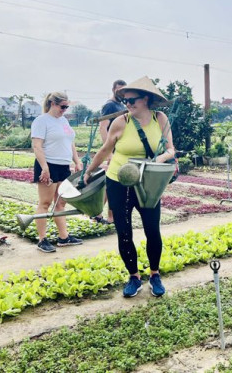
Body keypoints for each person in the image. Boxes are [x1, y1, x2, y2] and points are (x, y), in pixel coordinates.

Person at [84, 76, 175, 298]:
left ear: (146, 99)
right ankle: (133, 276)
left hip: (148, 183)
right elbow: (106, 150)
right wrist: (89, 171)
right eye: (125, 100)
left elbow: (171, 149)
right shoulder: (121, 122)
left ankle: (154, 274)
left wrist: (159, 160)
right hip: (119, 182)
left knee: (152, 230)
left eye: (132, 100)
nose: (128, 104)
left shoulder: (160, 119)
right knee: (124, 232)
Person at [31, 92, 83, 253]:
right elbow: (37, 146)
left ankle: (63, 237)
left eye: (67, 107)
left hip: (63, 166)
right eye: (62, 107)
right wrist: (45, 168)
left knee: (61, 203)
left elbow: (70, 143)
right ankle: (42, 240)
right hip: (48, 165)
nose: (65, 110)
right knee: (45, 203)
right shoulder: (41, 121)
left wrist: (77, 161)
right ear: (53, 103)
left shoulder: (63, 121)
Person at [92, 79, 127, 225]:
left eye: (123, 90)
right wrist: (109, 152)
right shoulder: (110, 105)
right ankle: (104, 215)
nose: (121, 93)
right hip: (113, 150)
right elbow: (103, 127)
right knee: (111, 184)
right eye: (118, 90)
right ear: (113, 89)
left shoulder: (122, 105)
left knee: (112, 183)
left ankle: (101, 214)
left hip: (120, 149)